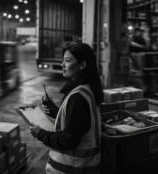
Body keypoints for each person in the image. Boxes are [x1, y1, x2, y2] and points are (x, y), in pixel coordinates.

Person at [30, 43, 104, 174]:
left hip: (71, 168)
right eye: (63, 60)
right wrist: (55, 111)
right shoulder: (87, 89)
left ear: (82, 65)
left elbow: (68, 140)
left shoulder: (78, 97)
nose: (62, 65)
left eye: (68, 61)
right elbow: (78, 122)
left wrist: (40, 133)